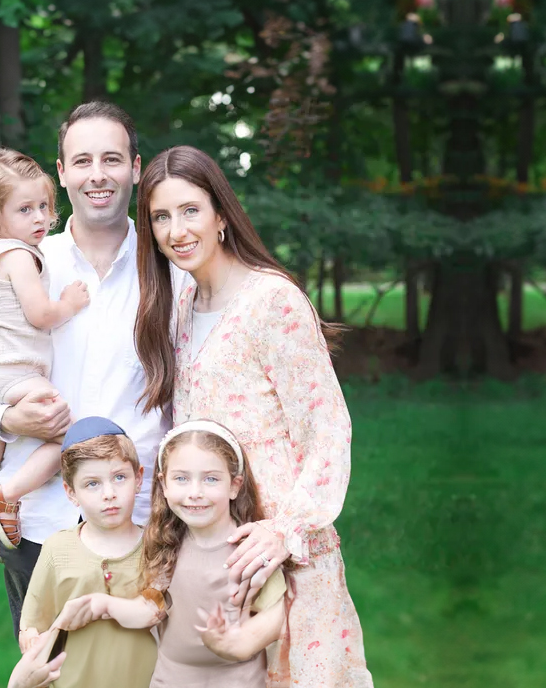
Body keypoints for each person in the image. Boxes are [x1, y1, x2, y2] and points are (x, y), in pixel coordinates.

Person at [132, 145, 373, 686]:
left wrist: (286, 531)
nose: (177, 230)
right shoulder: (181, 308)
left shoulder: (273, 302)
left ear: (221, 214)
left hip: (283, 557)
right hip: (218, 557)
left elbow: (328, 428)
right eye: (161, 216)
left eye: (190, 210)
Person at [0, 101, 165, 635]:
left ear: (135, 166)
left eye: (112, 158)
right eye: (81, 161)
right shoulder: (26, 259)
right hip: (37, 520)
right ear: (61, 174)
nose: (97, 174)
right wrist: (5, 422)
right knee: (48, 672)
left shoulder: (169, 267)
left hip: (142, 518)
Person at [49, 420, 289, 687]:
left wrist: (238, 643)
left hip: (236, 679)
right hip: (171, 678)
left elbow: (277, 613)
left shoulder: (249, 548)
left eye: (211, 479)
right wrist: (104, 605)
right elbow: (151, 610)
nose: (195, 493)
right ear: (164, 484)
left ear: (234, 485)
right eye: (181, 479)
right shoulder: (167, 543)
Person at [0, 148, 92, 560]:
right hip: (15, 371)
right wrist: (68, 302)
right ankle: (4, 497)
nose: (40, 218)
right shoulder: (20, 256)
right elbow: (40, 314)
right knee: (67, 432)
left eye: (44, 207)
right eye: (25, 209)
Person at [15, 417, 157, 688]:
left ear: (138, 479)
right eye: (92, 484)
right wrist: (31, 637)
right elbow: (34, 624)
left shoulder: (157, 547)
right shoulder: (58, 549)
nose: (109, 493)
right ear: (71, 492)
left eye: (119, 478)